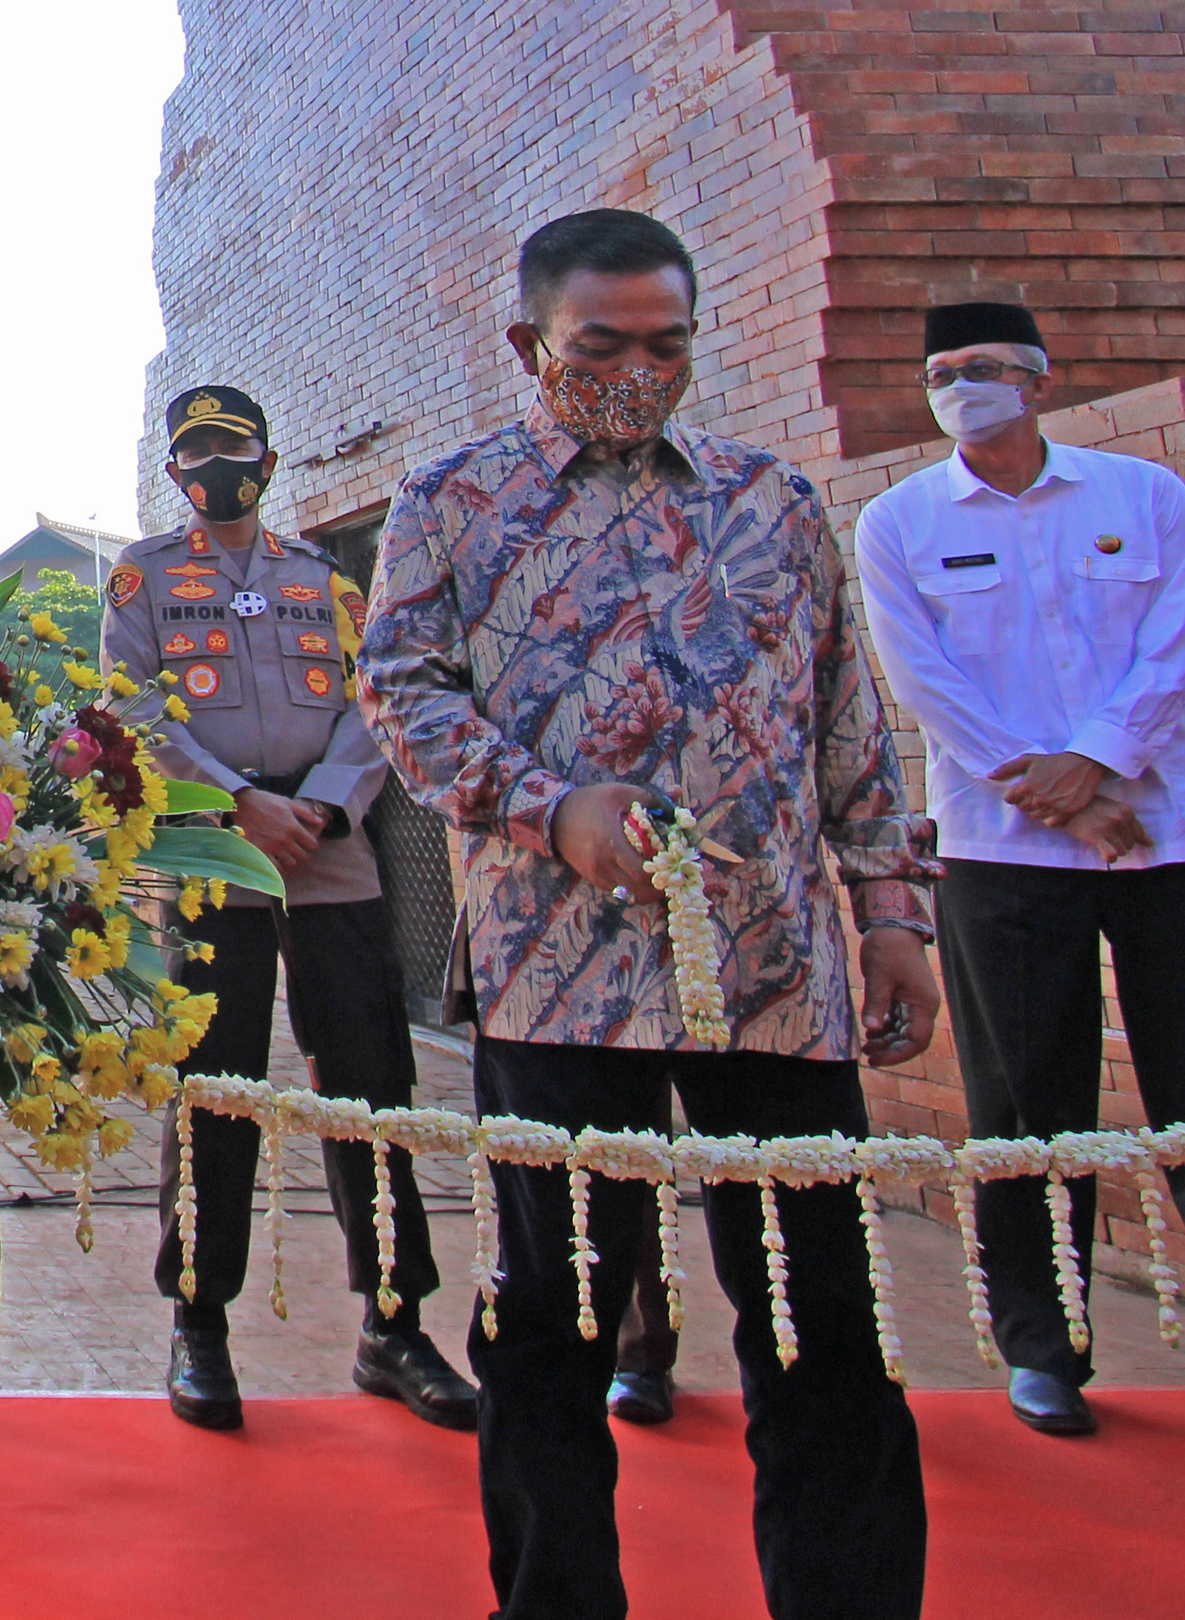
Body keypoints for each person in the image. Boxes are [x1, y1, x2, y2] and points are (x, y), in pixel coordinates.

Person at [360, 208, 942, 1620]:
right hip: (559, 973)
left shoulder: (774, 500)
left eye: (666, 343)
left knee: (821, 1322)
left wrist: (892, 911)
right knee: (550, 1327)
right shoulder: (450, 503)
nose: (635, 371)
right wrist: (547, 802)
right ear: (529, 344)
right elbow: (402, 696)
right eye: (599, 345)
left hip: (775, 974)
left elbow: (847, 722)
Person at [853, 298, 1185, 1469]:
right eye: (944, 370)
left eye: (988, 367)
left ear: (1039, 381)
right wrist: (1047, 790)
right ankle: (1041, 1350)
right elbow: (922, 678)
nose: (964, 386)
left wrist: (1101, 762)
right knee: (1022, 1105)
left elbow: (1178, 640)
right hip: (1002, 850)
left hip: (1163, 835)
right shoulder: (898, 520)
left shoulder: (1138, 495)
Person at [108, 383, 476, 1436]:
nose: (212, 470)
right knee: (214, 1083)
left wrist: (323, 802)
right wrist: (234, 801)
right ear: (176, 474)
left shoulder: (325, 578)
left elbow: (375, 699)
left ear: (268, 463)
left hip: (328, 849)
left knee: (370, 1081)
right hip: (220, 845)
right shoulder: (142, 577)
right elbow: (130, 702)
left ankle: (393, 1324)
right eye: (194, 456)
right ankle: (199, 1322)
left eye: (231, 452)